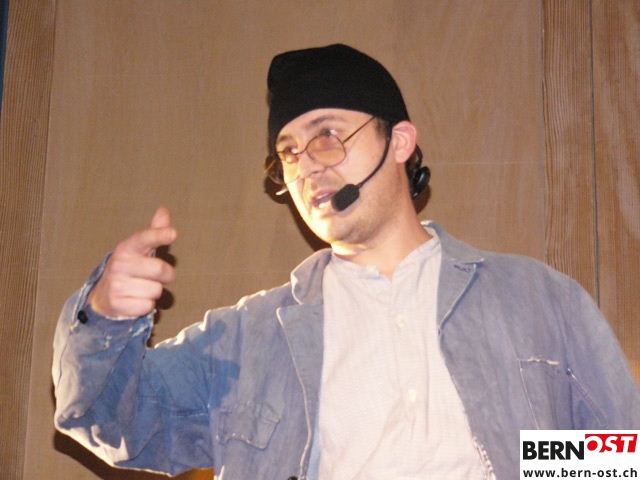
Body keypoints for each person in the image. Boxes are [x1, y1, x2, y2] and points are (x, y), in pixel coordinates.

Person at [53, 44, 640, 480]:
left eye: (328, 135)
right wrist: (103, 318)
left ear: (399, 142)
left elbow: (618, 455)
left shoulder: (535, 299)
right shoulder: (250, 341)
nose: (307, 166)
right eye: (288, 153)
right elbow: (110, 418)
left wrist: (527, 451)